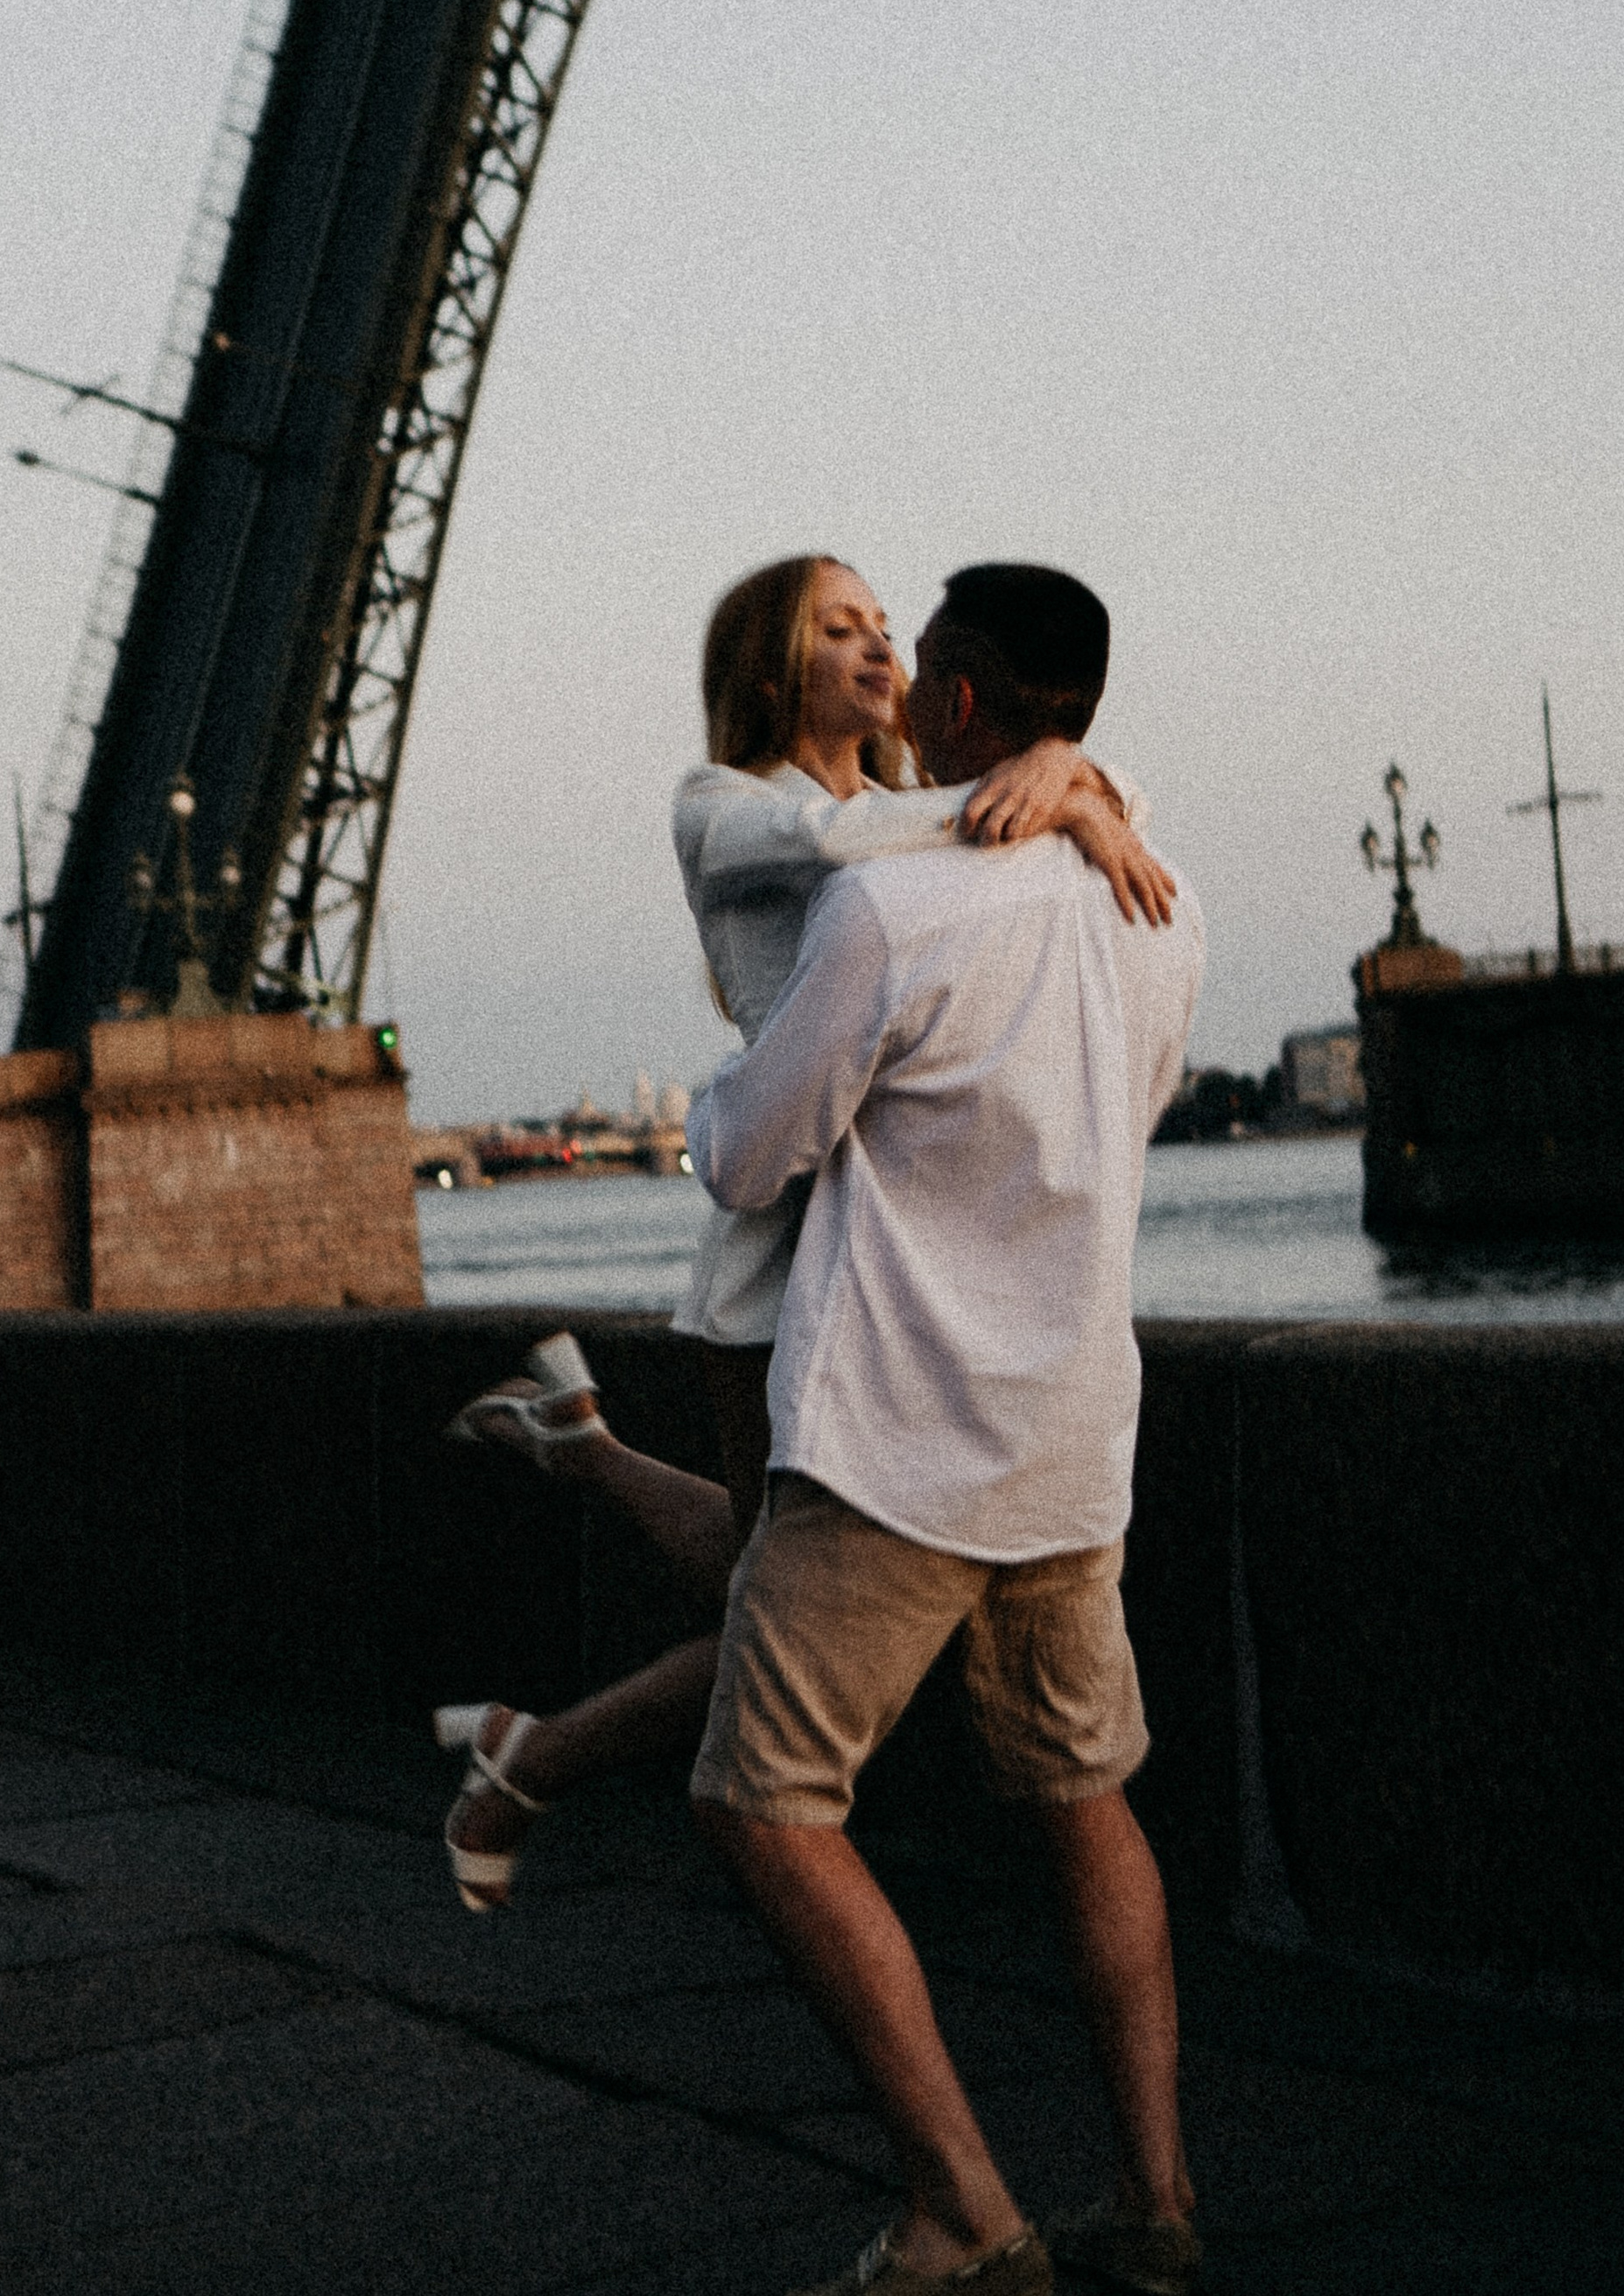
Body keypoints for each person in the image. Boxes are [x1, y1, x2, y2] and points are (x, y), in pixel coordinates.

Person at [434, 553, 1174, 1912]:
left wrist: (1069, 782)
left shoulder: (923, 809)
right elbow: (845, 851)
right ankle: (536, 1729)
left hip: (883, 1245)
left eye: (889, 629)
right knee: (775, 1599)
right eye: (841, 630)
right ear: (775, 666)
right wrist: (1064, 784)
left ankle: (571, 1522)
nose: (878, 648)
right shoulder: (726, 810)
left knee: (784, 1593)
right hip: (779, 1240)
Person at [685, 564, 1206, 2296]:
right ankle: (1154, 2211)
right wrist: (1087, 791)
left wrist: (709, 1103)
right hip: (1069, 1447)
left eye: (924, 663)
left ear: (963, 705)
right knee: (1087, 1807)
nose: (895, 680)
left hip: (891, 1450)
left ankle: (961, 2206)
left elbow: (755, 1158)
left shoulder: (892, 913)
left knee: (765, 1805)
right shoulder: (1161, 900)